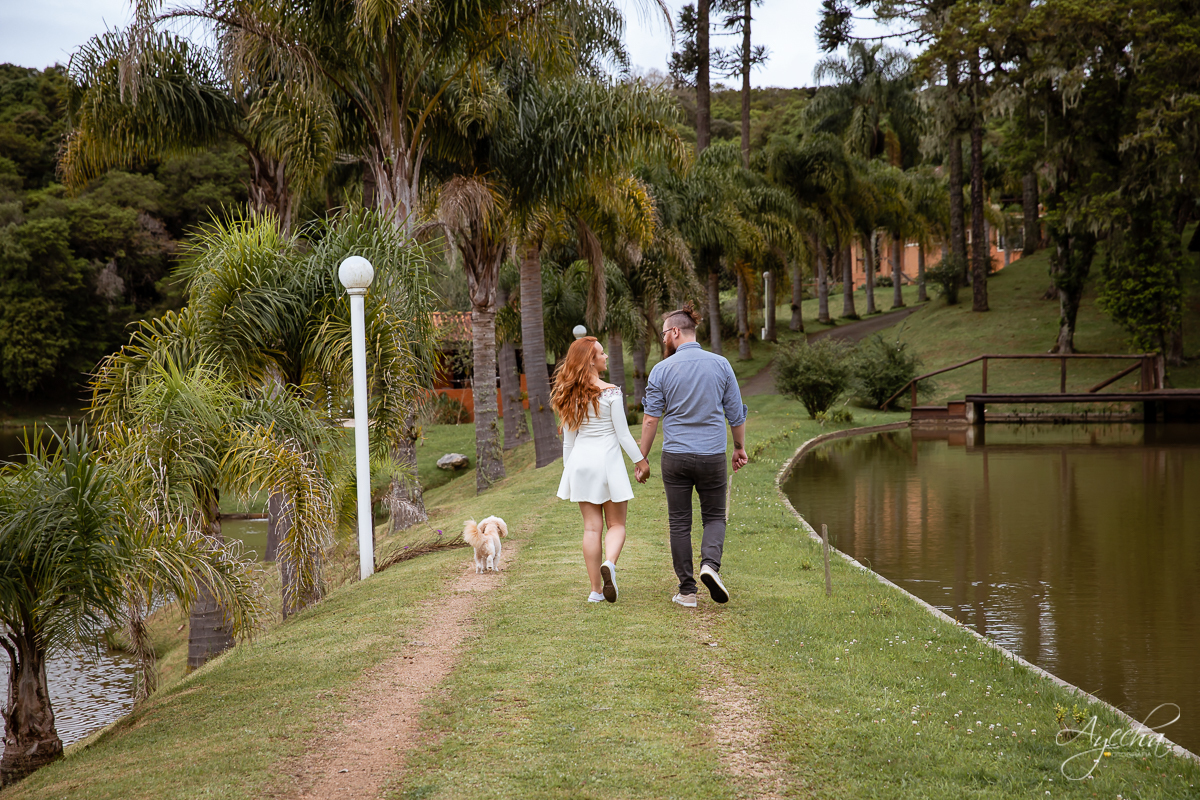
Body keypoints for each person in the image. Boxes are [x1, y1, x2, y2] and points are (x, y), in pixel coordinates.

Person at [636, 304, 747, 608]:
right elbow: (735, 414)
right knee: (714, 517)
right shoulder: (721, 364)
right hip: (712, 455)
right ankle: (710, 565)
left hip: (676, 457)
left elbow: (650, 419)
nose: (663, 341)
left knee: (679, 522)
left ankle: (687, 591)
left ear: (675, 332)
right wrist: (739, 447)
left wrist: (641, 457)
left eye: (663, 335)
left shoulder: (662, 369)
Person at [552, 336, 650, 603]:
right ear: (591, 361)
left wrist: (568, 471)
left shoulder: (569, 394)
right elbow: (623, 436)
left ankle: (596, 591)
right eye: (601, 353)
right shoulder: (611, 392)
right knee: (616, 524)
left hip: (581, 464)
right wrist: (641, 461)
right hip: (607, 463)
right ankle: (609, 563)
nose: (606, 356)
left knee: (591, 529)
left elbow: (568, 442)